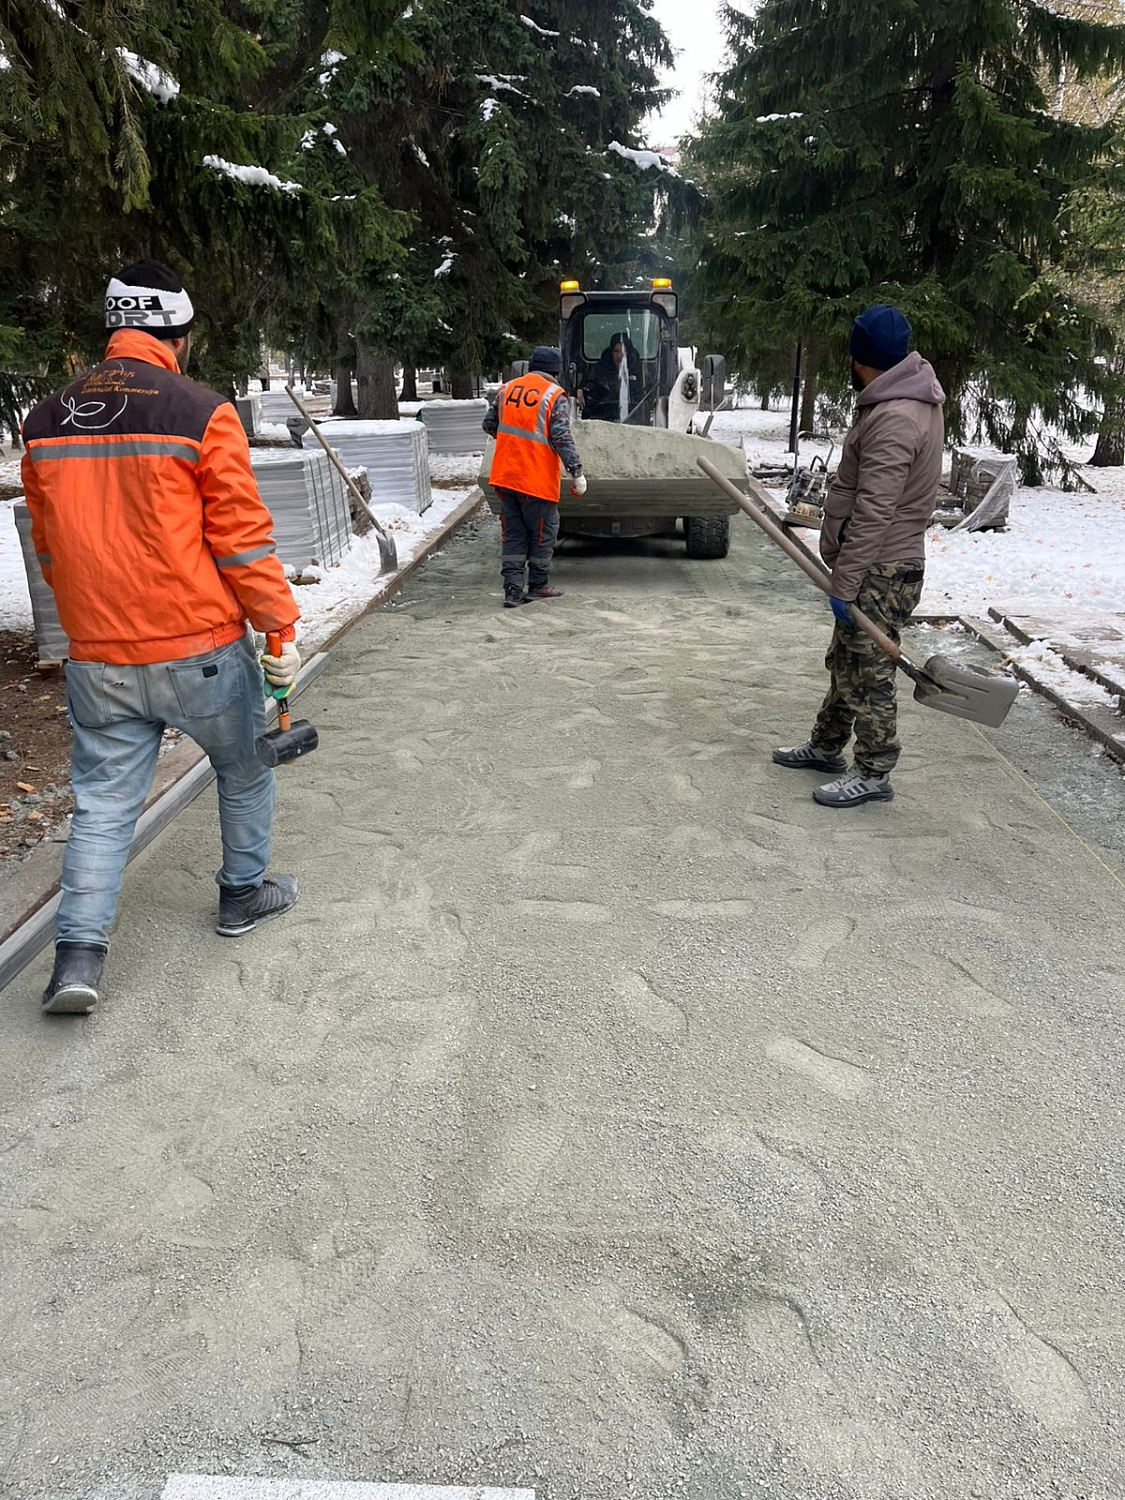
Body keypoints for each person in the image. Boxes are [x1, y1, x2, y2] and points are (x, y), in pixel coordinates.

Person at [21, 261, 303, 1015]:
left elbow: (48, 546)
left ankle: (77, 958)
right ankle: (241, 897)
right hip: (199, 649)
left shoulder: (48, 419)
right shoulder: (198, 411)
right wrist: (278, 624)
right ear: (178, 332)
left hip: (98, 658)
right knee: (244, 767)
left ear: (113, 328)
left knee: (104, 804)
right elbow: (241, 540)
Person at [773, 304, 945, 807]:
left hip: (881, 568)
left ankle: (873, 771)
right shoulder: (902, 399)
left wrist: (846, 584)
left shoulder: (895, 416)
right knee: (847, 660)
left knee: (867, 671)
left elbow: (875, 511)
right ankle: (827, 746)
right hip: (875, 564)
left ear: (861, 359)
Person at [483, 346, 586, 609]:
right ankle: (538, 586)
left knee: (514, 535)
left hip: (505, 477)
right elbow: (561, 437)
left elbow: (489, 425)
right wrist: (576, 471)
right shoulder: (554, 395)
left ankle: (512, 590)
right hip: (535, 480)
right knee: (543, 534)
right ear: (556, 371)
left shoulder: (507, 389)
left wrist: (512, 445)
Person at [582, 334, 642, 423]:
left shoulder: (639, 372)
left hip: (634, 420)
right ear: (611, 353)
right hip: (603, 420)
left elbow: (646, 397)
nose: (619, 356)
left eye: (623, 351)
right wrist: (580, 389)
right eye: (616, 351)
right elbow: (588, 389)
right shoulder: (599, 372)